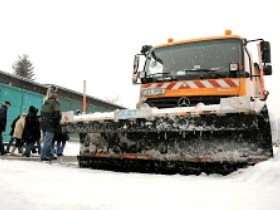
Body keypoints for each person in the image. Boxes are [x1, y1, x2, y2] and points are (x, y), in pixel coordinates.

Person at [40, 88, 61, 161]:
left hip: (44, 124)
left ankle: (50, 154)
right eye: (55, 93)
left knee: (48, 140)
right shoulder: (54, 103)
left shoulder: (45, 102)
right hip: (50, 124)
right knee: (48, 141)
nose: (56, 94)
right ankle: (44, 156)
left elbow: (42, 113)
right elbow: (57, 115)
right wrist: (58, 122)